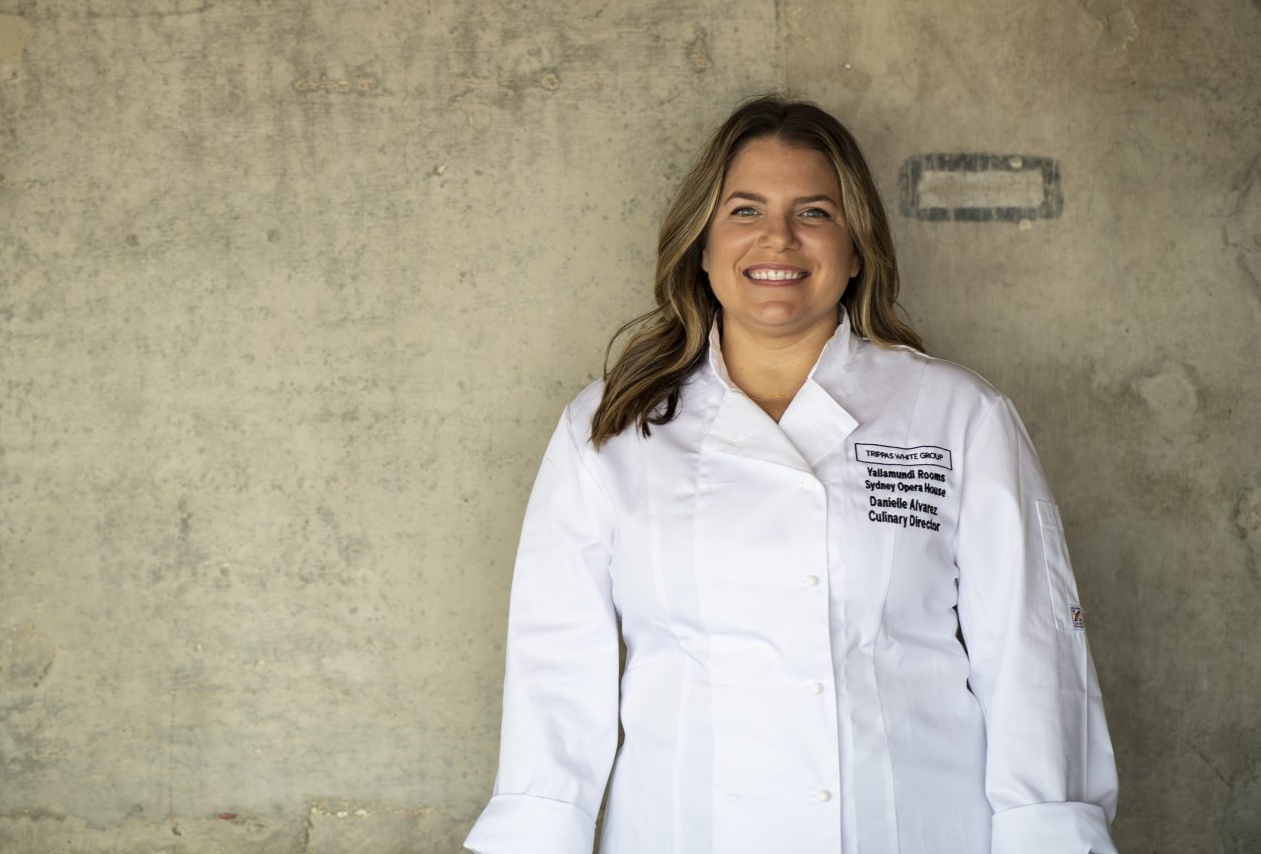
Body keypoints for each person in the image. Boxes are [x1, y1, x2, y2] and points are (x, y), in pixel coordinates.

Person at [463, 95, 1118, 854]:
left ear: (856, 249)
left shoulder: (957, 416)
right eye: (745, 210)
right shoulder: (610, 426)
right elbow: (553, 669)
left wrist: (1049, 835)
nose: (778, 237)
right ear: (702, 245)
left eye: (814, 212)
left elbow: (1031, 655)